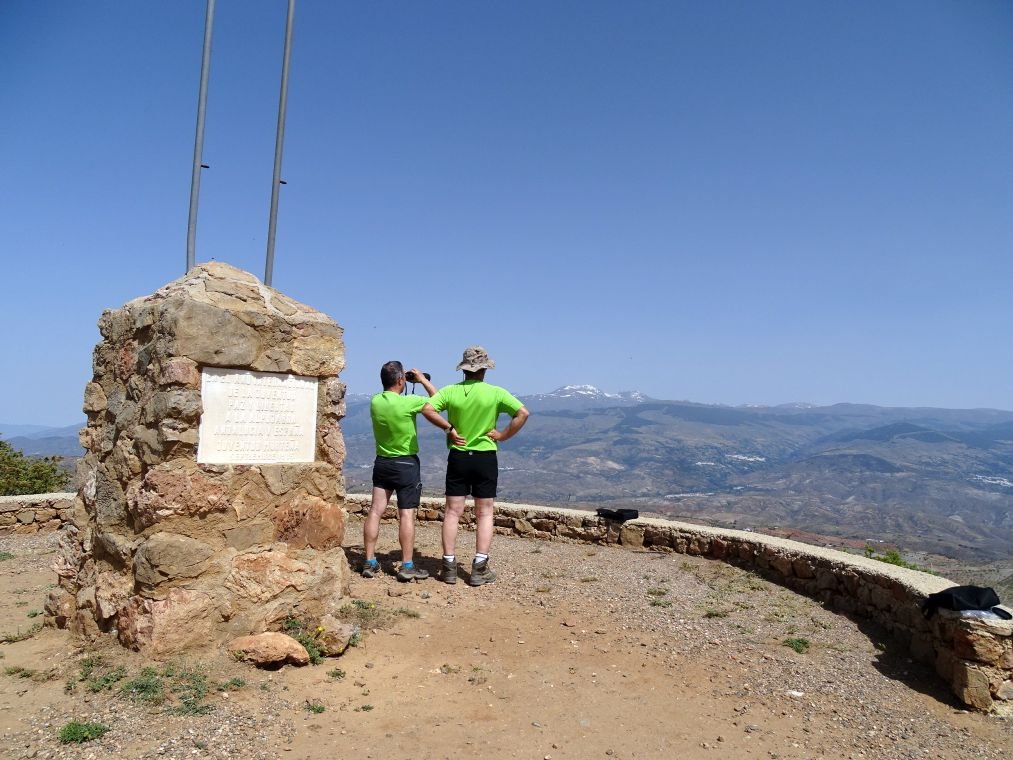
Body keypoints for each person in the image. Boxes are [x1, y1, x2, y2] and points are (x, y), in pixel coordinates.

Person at [422, 346, 530, 586]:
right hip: (485, 457)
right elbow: (523, 413)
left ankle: (448, 566)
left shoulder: (450, 392)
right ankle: (479, 567)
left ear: (464, 370)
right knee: (484, 513)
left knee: (452, 512)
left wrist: (449, 429)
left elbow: (427, 409)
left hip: (459, 456)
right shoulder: (495, 393)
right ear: (484, 369)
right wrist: (502, 435)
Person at [363, 360, 446, 582]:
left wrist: (404, 381)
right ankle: (407, 565)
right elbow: (439, 402)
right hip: (406, 464)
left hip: (382, 462)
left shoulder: (375, 401)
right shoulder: (410, 402)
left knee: (375, 511)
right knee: (406, 514)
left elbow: (391, 390)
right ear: (401, 380)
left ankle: (369, 561)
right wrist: (423, 380)